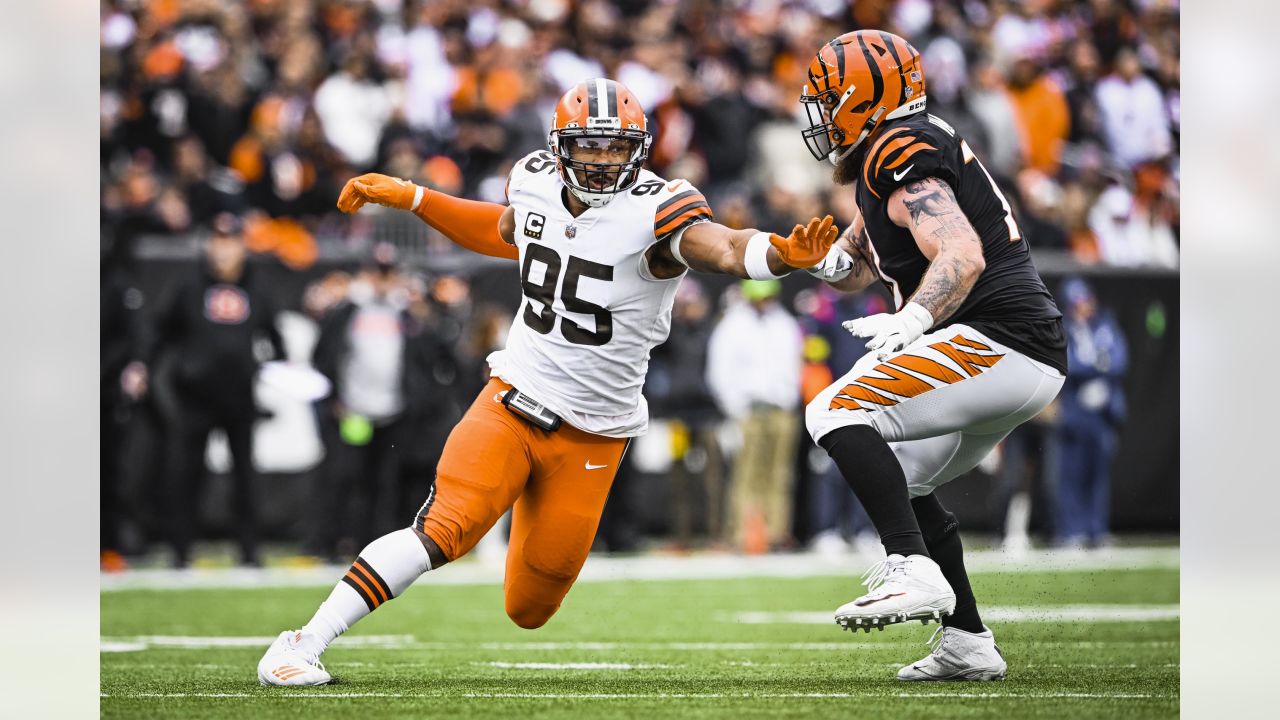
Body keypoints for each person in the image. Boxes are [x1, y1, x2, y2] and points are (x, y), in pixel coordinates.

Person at [258, 77, 838, 686]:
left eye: (618, 148)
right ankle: (303, 642)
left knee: (529, 608)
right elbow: (506, 230)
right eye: (591, 146)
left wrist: (776, 255)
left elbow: (721, 246)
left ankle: (523, 510)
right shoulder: (534, 180)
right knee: (443, 529)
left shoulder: (657, 207)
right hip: (513, 398)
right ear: (561, 146)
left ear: (640, 150)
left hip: (595, 431)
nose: (605, 160)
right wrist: (415, 199)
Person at [796, 31, 1068, 681]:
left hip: (998, 340)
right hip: (1011, 349)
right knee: (904, 475)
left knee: (834, 411)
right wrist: (818, 259)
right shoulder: (887, 152)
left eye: (831, 101)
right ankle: (967, 641)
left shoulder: (899, 148)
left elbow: (962, 254)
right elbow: (862, 263)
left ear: (867, 98)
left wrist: (915, 316)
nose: (822, 116)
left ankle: (913, 568)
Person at [139, 212, 285, 568]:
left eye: (230, 241)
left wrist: (281, 369)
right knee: (186, 474)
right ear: (209, 244)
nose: (223, 249)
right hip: (196, 395)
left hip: (239, 395)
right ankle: (180, 550)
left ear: (242, 246)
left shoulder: (257, 286)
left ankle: (250, 551)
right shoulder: (189, 284)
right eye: (218, 240)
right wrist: (142, 365)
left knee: (245, 477)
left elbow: (274, 335)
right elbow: (160, 330)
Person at [706, 280, 803, 552]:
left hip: (781, 410)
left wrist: (789, 399)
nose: (764, 301)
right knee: (746, 474)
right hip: (749, 411)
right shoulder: (732, 325)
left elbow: (794, 365)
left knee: (780, 474)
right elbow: (720, 371)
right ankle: (741, 534)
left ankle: (775, 534)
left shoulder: (784, 323)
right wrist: (735, 409)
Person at [1053, 277, 1128, 548]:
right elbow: (1069, 364)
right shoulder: (1063, 329)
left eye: (1085, 300)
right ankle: (1072, 531)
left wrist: (1095, 365)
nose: (1083, 307)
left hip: (1102, 413)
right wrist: (1099, 364)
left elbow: (1120, 360)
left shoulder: (1105, 325)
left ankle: (1097, 530)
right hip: (1075, 412)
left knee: (1098, 475)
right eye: (1077, 302)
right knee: (1072, 474)